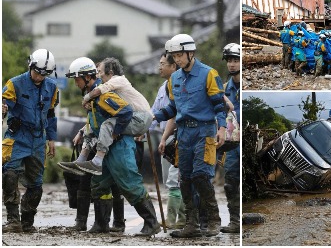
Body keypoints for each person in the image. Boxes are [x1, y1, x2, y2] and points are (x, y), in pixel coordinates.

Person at [65, 57, 161, 236]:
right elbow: (93, 125)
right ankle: (101, 224)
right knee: (99, 184)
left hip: (119, 147)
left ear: (87, 77)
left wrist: (115, 132)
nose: (75, 83)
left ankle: (151, 222)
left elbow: (125, 112)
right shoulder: (93, 99)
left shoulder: (103, 94)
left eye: (77, 78)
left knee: (129, 183)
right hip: (107, 150)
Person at [154, 34, 228, 238]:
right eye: (174, 56)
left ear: (190, 53)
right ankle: (191, 224)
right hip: (184, 133)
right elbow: (172, 109)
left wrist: (221, 128)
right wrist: (152, 117)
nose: (176, 59)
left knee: (201, 177)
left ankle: (213, 219)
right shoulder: (174, 79)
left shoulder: (209, 74)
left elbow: (219, 106)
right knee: (184, 179)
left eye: (179, 55)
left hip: (204, 131)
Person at [63, 57, 153, 176]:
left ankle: (97, 161)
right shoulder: (111, 88)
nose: (97, 75)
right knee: (94, 128)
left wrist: (86, 98)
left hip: (140, 118)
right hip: (138, 117)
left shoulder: (118, 80)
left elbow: (102, 92)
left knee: (107, 125)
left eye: (99, 71)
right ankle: (80, 161)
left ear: (110, 72)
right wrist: (81, 131)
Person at [2, 49, 59, 233]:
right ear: (30, 65)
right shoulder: (15, 84)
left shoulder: (52, 87)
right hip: (17, 136)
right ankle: (13, 221)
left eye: (44, 74)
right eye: (37, 72)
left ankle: (27, 222)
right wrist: (3, 108)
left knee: (36, 185)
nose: (39, 77)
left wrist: (51, 138)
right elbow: (5, 103)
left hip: (38, 139)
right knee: (10, 176)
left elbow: (51, 114)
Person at [151, 52, 185, 229]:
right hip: (167, 138)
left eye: (163, 63)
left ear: (173, 67)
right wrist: (144, 129)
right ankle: (179, 219)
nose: (159, 66)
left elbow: (174, 115)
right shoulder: (163, 87)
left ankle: (176, 220)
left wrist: (164, 137)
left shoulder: (181, 86)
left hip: (178, 137)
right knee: (169, 181)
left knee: (176, 179)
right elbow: (155, 112)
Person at [220, 43, 241, 233]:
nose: (232, 65)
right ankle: (235, 221)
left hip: (247, 140)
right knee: (230, 182)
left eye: (236, 60)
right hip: (232, 144)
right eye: (229, 61)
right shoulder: (225, 89)